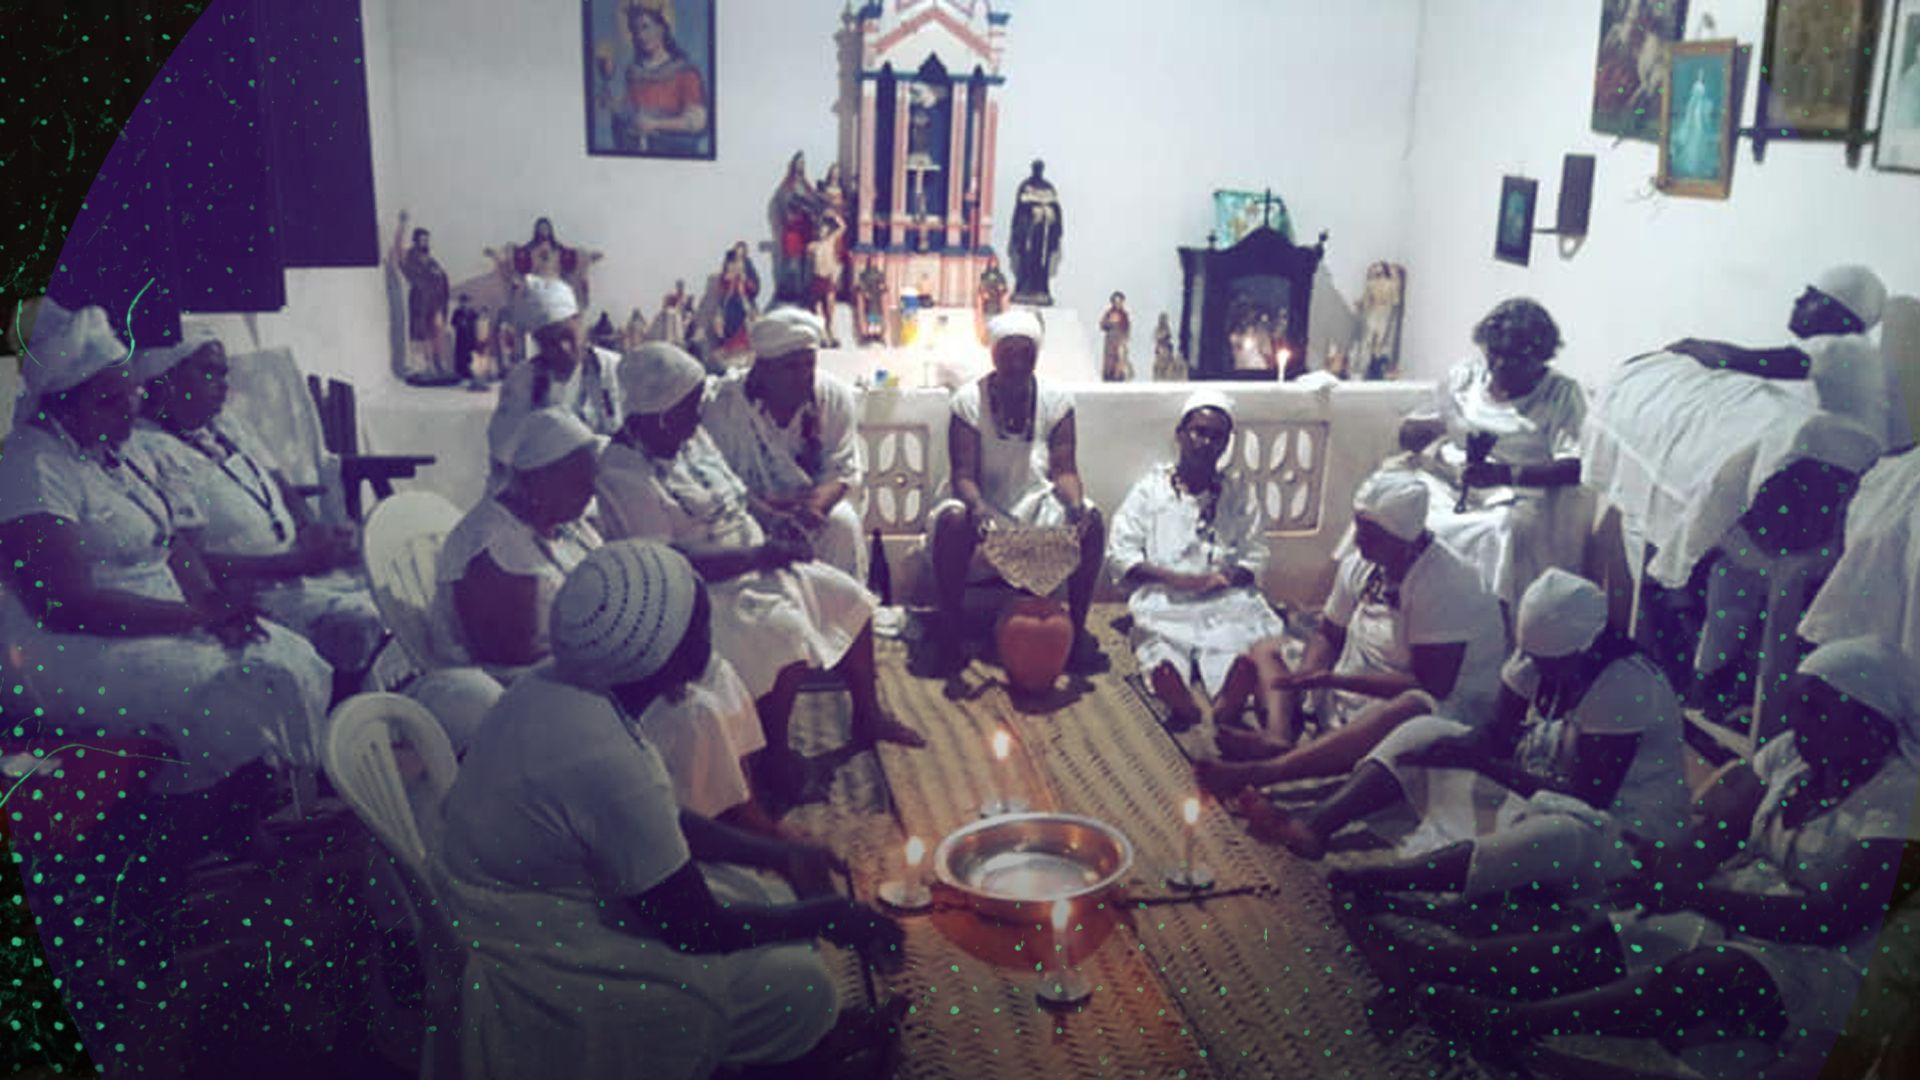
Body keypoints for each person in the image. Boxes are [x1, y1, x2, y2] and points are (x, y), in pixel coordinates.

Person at [435, 540, 907, 1080]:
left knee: (760, 890)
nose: (711, 635)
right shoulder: (607, 757)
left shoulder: (553, 685)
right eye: (701, 622)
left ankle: (791, 1047)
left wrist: (777, 853)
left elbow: (661, 821)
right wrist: (829, 915)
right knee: (802, 988)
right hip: (533, 955)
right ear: (670, 654)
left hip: (515, 901)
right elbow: (694, 927)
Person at [1418, 638, 1919, 1069]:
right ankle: (1440, 962)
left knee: (1707, 972)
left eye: (1817, 709)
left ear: (1872, 719)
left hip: (1830, 964)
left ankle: (1512, 1023)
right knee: (1618, 935)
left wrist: (1695, 897)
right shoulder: (1789, 755)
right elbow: (1716, 838)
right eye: (1798, 704)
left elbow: (1832, 919)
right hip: (1744, 909)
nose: (1797, 721)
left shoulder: (1901, 800)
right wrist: (1664, 869)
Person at [0, 304, 331, 822]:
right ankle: (197, 829)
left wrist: (213, 606)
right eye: (108, 401)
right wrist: (194, 618)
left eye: (129, 393)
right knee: (229, 689)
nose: (128, 411)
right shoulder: (31, 466)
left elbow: (172, 545)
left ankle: (269, 808)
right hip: (71, 648)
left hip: (162, 622)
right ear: (60, 406)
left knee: (286, 655)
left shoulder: (115, 452)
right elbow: (66, 604)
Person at [1242, 570, 1689, 916]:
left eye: (1552, 663)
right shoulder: (1537, 659)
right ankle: (1317, 825)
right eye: (1535, 659)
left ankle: (1386, 879)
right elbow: (1494, 736)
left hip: (1619, 831)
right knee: (1425, 728)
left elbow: (1587, 797)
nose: (1540, 670)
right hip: (1536, 789)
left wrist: (1482, 763)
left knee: (1556, 835)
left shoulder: (1625, 686)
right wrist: (1457, 750)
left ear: (1587, 646)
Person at [595, 343, 925, 808]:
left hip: (754, 560)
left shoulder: (686, 435)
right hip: (700, 594)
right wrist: (758, 556)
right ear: (663, 414)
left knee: (851, 599)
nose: (698, 417)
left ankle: (868, 716)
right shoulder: (622, 472)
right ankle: (774, 756)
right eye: (690, 407)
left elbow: (736, 493)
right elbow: (669, 561)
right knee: (784, 636)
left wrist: (774, 521)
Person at [1196, 471, 1505, 793]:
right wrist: (1307, 674)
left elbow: (1432, 686)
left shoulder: (1446, 584)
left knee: (1411, 708)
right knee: (1267, 649)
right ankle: (1278, 737)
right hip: (1355, 676)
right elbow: (1329, 633)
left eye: (1371, 535)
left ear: (1403, 539)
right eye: (1359, 528)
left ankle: (1267, 771)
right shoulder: (1362, 562)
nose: (1358, 541)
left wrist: (1335, 680)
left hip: (1435, 704)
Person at [124, 327, 383, 685]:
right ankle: (351, 709)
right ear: (165, 379)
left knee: (402, 596)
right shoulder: (146, 450)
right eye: (209, 372)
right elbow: (185, 560)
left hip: (299, 574)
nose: (223, 386)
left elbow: (283, 489)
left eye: (224, 374)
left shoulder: (224, 424)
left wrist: (313, 530)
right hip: (247, 594)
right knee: (359, 624)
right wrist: (291, 565)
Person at [926, 310, 1106, 675]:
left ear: (1036, 355)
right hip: (982, 503)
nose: (1017, 363)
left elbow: (1064, 470)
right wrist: (978, 507)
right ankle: (950, 633)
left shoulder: (1056, 400)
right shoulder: (968, 401)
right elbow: (963, 474)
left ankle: (1077, 631)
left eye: (1026, 354)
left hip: (1036, 504)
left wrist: (1075, 506)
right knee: (954, 521)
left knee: (1093, 519)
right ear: (993, 354)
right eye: (1008, 353)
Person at [1392, 298, 1586, 611]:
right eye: (1493, 353)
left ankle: (1482, 617)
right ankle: (1399, 601)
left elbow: (1574, 465)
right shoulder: (1467, 375)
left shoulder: (1561, 394)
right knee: (1396, 501)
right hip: (1450, 484)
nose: (1498, 365)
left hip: (1515, 496)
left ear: (1540, 357)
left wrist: (1504, 474)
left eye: (1513, 358)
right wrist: (1433, 427)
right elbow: (1411, 432)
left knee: (1500, 530)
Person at [1108, 390, 1281, 730]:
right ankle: (1179, 698)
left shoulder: (1238, 492)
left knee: (1231, 639)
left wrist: (1227, 578)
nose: (1206, 443)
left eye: (1217, 436)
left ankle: (1227, 699)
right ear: (1180, 434)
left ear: (1226, 443)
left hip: (1222, 597)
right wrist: (1183, 581)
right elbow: (1121, 554)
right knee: (1161, 641)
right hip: (1166, 595)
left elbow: (1256, 552)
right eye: (1199, 432)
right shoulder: (1150, 490)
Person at [436, 409, 604, 674]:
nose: (592, 490)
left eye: (592, 478)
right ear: (537, 479)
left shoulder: (566, 522)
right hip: (519, 682)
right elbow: (513, 653)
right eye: (579, 480)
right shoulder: (493, 548)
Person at [704, 309, 866, 577]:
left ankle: (841, 604)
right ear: (762, 370)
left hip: (810, 511)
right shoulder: (723, 405)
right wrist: (771, 510)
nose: (804, 376)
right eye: (791, 367)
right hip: (747, 512)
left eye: (809, 365)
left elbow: (843, 471)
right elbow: (718, 484)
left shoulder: (834, 397)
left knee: (842, 524)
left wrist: (812, 509)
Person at [486, 275, 622, 480]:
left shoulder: (614, 369)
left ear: (580, 322)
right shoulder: (522, 382)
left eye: (567, 336)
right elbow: (502, 454)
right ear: (537, 343)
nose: (563, 348)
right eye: (550, 342)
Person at [611, 4, 709, 157]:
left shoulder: (685, 72)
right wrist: (617, 109)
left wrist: (655, 124)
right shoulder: (634, 73)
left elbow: (697, 122)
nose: (641, 36)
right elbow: (629, 113)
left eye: (646, 27)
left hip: (676, 154)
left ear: (662, 28)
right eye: (635, 30)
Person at [393, 214, 451, 379]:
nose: (425, 243)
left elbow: (441, 277)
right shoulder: (411, 257)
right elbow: (398, 251)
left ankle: (438, 363)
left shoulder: (432, 261)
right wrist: (402, 225)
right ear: (416, 241)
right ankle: (425, 366)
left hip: (436, 302)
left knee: (437, 330)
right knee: (421, 332)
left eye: (427, 240)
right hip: (420, 301)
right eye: (422, 240)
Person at [1009, 161, 1062, 304]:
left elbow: (1057, 211)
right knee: (1026, 262)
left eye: (1040, 168)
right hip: (1029, 234)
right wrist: (1018, 233)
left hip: (1044, 234)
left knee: (1043, 263)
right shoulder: (1026, 186)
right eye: (1036, 168)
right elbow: (1019, 211)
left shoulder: (1048, 187)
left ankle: (1041, 289)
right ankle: (1024, 289)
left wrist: (1055, 233)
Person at [1100, 291, 1132, 382]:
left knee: (1120, 362)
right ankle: (1108, 377)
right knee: (1109, 363)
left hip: (1120, 342)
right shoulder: (1109, 313)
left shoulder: (1124, 315)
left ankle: (1119, 377)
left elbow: (1127, 329)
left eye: (1120, 301)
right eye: (1116, 301)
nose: (1118, 303)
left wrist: (1124, 339)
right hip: (1110, 343)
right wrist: (1110, 322)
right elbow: (1102, 325)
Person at [451, 293, 480, 384]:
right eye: (463, 301)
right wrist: (459, 323)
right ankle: (460, 372)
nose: (464, 303)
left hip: (470, 337)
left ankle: (468, 371)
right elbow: (453, 322)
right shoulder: (457, 312)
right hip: (461, 337)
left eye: (466, 301)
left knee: (469, 354)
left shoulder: (472, 312)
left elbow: (477, 320)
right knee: (460, 354)